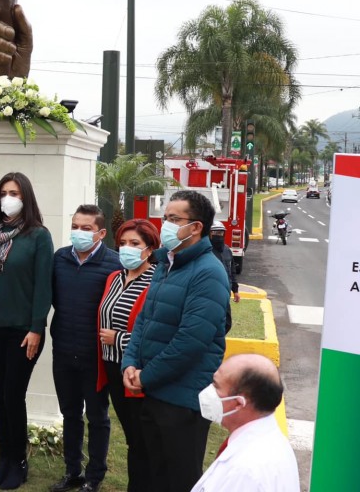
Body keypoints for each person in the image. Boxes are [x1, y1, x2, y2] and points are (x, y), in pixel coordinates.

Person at [121, 189, 230, 492]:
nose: (164, 225)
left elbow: (191, 340)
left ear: (195, 227)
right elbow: (144, 319)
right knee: (145, 474)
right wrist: (129, 363)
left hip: (182, 402)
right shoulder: (167, 265)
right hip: (152, 392)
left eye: (172, 219)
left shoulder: (208, 273)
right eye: (164, 217)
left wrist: (147, 376)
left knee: (175, 479)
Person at [0, 172, 53, 490]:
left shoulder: (38, 236)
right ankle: (4, 458)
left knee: (14, 396)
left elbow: (43, 287)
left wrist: (36, 327)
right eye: (3, 192)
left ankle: (18, 462)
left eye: (14, 192)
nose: (8, 197)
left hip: (23, 332)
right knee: (0, 396)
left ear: (25, 197)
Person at [48, 205, 121, 492]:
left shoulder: (114, 263)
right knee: (69, 414)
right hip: (64, 349)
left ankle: (94, 477)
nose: (79, 232)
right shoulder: (60, 259)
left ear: (101, 233)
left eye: (86, 228)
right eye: (75, 226)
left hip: (96, 357)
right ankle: (72, 471)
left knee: (97, 416)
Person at [96, 219, 160, 492]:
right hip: (110, 367)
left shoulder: (157, 280)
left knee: (141, 437)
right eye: (122, 243)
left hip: (134, 370)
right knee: (131, 435)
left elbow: (156, 332)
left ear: (149, 249)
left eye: (135, 244)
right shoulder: (114, 277)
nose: (127, 249)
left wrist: (118, 339)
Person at [191, 354, 299, 491]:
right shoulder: (269, 442)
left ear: (238, 403)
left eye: (216, 386)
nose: (209, 391)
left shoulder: (245, 471)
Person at [210, 221, 240, 302]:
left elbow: (232, 271)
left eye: (220, 233)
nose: (218, 235)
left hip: (226, 292)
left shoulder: (227, 250)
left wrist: (235, 290)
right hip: (211, 293)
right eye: (215, 233)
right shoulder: (206, 251)